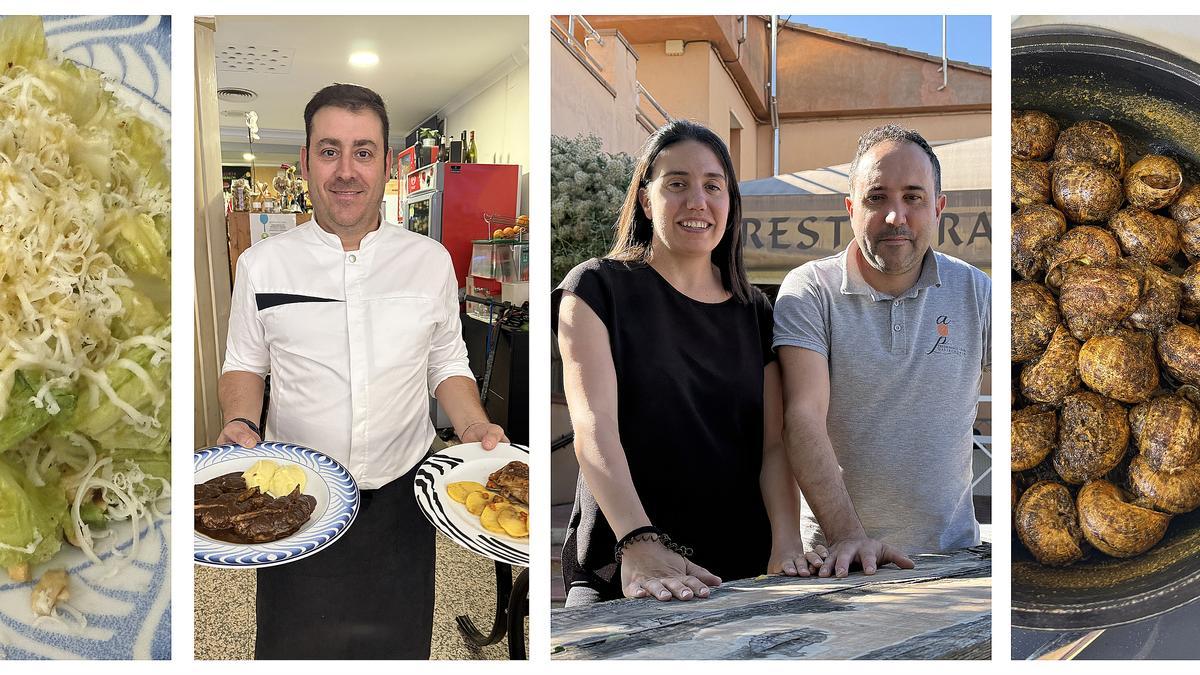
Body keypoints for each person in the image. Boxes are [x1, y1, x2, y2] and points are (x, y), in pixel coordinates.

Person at [554, 120, 910, 607]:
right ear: (644, 198)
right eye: (676, 184)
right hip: (626, 562)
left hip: (739, 570)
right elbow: (594, 427)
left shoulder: (755, 311)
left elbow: (772, 445)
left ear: (730, 203)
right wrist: (639, 542)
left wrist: (785, 544)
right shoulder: (596, 288)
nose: (696, 201)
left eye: (712, 186)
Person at [217, 83, 505, 659]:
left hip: (403, 499)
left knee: (396, 649)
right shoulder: (261, 264)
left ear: (385, 163)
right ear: (304, 161)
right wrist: (241, 422)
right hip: (299, 498)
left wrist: (473, 426)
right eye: (329, 151)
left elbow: (447, 362)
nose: (346, 171)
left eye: (363, 152)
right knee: (294, 649)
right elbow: (245, 363)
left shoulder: (428, 263)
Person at [773, 124, 991, 556]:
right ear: (850, 207)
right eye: (877, 198)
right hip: (836, 560)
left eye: (914, 197)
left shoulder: (977, 291)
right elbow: (802, 417)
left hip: (954, 559)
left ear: (938, 208)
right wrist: (848, 536)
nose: (896, 216)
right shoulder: (808, 290)